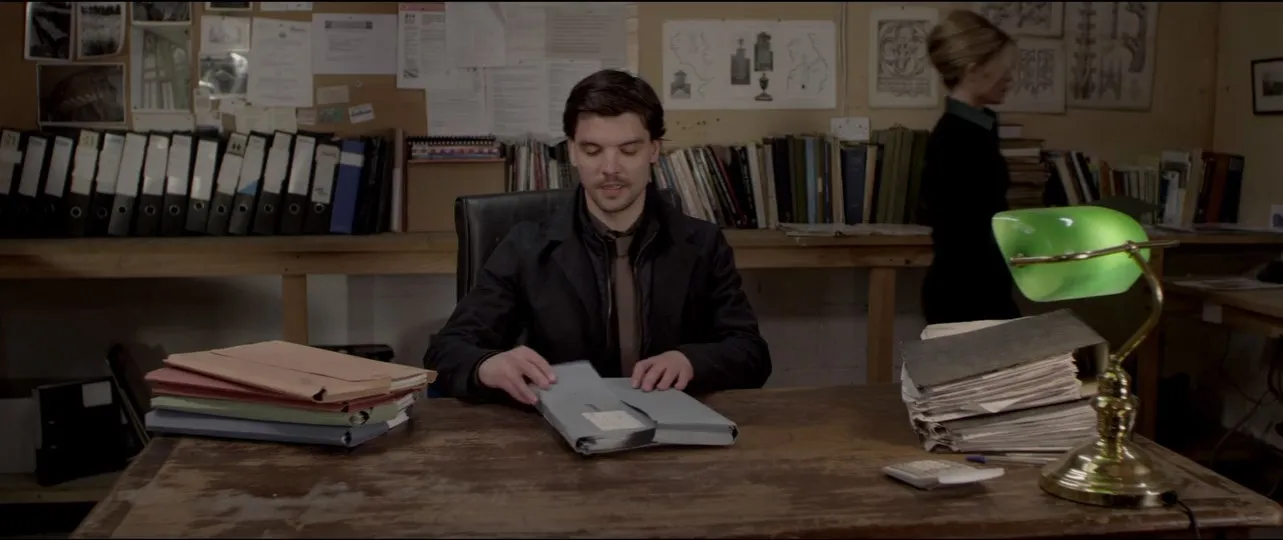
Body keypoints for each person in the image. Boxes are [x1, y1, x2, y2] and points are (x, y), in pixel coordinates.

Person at [423, 69, 772, 406]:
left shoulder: (703, 243)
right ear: (572, 151)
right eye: (592, 150)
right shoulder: (526, 247)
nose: (610, 169)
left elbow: (751, 353)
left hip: (674, 428)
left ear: (654, 150)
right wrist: (486, 365)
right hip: (561, 429)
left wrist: (691, 361)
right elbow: (447, 350)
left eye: (629, 150)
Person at [918, 10, 1021, 325]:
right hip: (965, 297)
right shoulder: (954, 137)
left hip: (980, 290)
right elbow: (965, 237)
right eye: (1003, 69)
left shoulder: (978, 128)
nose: (1009, 78)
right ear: (974, 70)